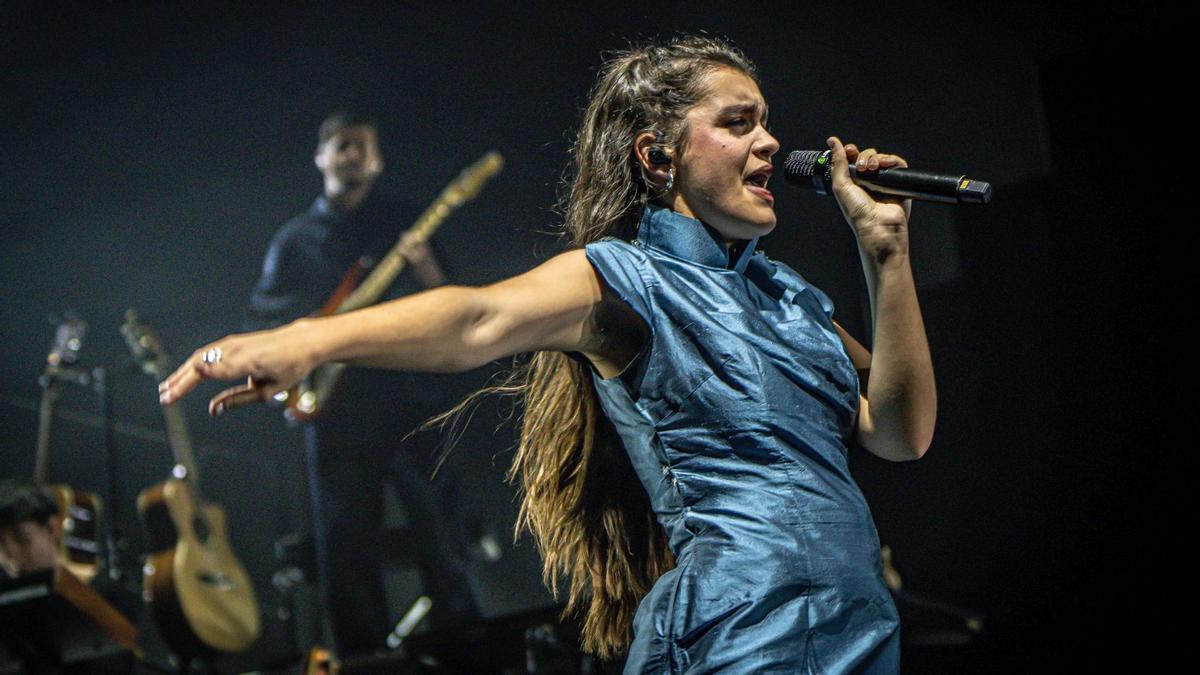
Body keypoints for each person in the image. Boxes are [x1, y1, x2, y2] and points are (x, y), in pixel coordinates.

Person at [162, 36, 936, 673]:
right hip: (738, 635)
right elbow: (478, 317)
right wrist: (307, 339)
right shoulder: (627, 277)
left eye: (765, 120)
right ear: (659, 158)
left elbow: (901, 432)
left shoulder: (791, 300)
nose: (768, 139)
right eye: (737, 122)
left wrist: (887, 255)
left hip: (859, 631)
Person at [242, 111, 480, 657]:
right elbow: (267, 321)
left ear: (377, 160)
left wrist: (423, 270)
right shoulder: (294, 242)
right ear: (321, 156)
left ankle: (468, 649)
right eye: (343, 145)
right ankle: (364, 660)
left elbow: (453, 302)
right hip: (338, 413)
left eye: (363, 147)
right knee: (345, 542)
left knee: (439, 530)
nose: (353, 156)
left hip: (409, 399)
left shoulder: (406, 225)